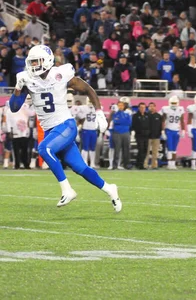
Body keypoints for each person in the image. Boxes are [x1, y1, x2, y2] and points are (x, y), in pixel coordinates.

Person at [10, 45, 121, 211]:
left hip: (65, 125)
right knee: (80, 168)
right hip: (50, 130)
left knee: (44, 149)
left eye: (36, 62)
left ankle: (67, 190)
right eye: (31, 62)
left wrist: (99, 113)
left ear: (47, 61)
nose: (33, 66)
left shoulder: (60, 74)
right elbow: (14, 107)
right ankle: (109, 188)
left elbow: (87, 89)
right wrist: (18, 88)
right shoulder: (28, 79)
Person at [161, 96, 185, 170]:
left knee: (174, 149)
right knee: (169, 148)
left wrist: (183, 130)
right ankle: (169, 164)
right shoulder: (166, 109)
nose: (174, 104)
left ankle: (173, 163)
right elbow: (163, 121)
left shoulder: (180, 109)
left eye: (175, 103)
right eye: (173, 103)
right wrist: (162, 131)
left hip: (176, 130)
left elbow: (182, 121)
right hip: (168, 130)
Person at [77, 97, 99, 169]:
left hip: (93, 130)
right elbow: (76, 112)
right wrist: (81, 116)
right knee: (85, 147)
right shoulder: (83, 107)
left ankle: (92, 163)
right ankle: (84, 162)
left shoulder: (96, 108)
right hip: (86, 129)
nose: (90, 102)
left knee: (92, 148)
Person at [111, 101, 132, 170]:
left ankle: (126, 164)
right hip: (117, 133)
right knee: (117, 149)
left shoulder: (127, 114)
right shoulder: (115, 114)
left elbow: (129, 122)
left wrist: (121, 121)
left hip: (126, 132)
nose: (120, 107)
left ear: (124, 106)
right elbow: (116, 121)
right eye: (119, 105)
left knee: (126, 149)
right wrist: (122, 121)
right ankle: (115, 165)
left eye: (121, 105)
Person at [131, 102, 150, 169]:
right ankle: (140, 164)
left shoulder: (147, 115)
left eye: (144, 107)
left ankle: (140, 163)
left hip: (146, 135)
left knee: (145, 150)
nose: (142, 109)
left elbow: (149, 125)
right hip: (139, 135)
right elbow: (133, 125)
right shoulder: (135, 116)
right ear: (138, 108)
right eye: (141, 107)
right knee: (141, 149)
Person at [146, 102, 163, 169]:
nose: (151, 107)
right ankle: (145, 164)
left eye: (153, 106)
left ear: (155, 107)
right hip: (147, 136)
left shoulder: (158, 116)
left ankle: (154, 165)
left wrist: (161, 132)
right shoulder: (146, 115)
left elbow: (161, 125)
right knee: (146, 152)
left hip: (156, 136)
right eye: (150, 106)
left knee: (155, 152)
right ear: (148, 107)